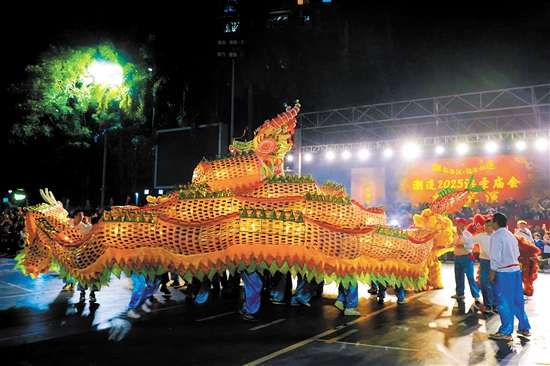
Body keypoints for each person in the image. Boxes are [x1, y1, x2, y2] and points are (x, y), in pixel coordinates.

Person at [488, 213, 531, 341]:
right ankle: (524, 327)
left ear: (495, 223)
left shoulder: (496, 236)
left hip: (504, 273)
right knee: (517, 300)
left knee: (504, 301)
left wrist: (492, 272)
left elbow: (496, 256)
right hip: (515, 271)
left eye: (491, 222)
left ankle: (506, 331)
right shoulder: (510, 235)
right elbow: (517, 253)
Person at [462, 218, 496, 314]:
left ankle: (496, 304)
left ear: (493, 226)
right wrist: (462, 235)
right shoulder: (481, 236)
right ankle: (488, 305)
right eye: (485, 225)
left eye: (489, 225)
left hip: (495, 263)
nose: (486, 227)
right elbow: (469, 241)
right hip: (484, 263)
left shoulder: (497, 236)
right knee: (484, 284)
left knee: (495, 284)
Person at [449, 218, 481, 305]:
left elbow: (471, 246)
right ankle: (460, 293)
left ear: (463, 225)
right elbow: (453, 244)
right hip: (457, 258)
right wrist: (444, 247)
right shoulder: (455, 234)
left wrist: (462, 245)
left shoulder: (468, 235)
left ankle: (476, 296)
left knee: (470, 277)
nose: (457, 226)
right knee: (458, 276)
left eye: (458, 224)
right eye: (456, 224)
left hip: (466, 258)